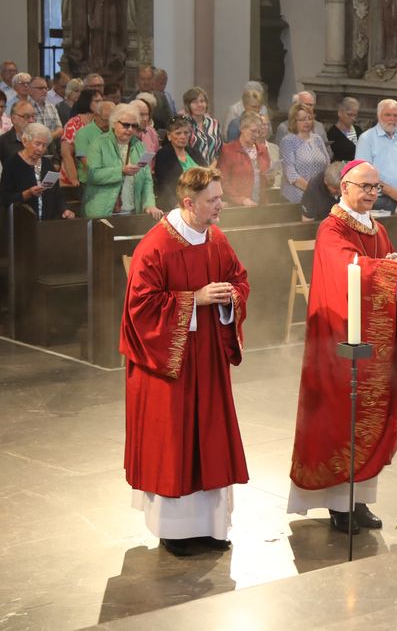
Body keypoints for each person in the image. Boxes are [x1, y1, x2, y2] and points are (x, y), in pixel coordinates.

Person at [287, 160, 397, 532]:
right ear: (344, 187)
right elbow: (347, 271)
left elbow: (384, 264)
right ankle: (338, 505)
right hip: (340, 339)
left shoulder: (378, 229)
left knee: (369, 415)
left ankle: (360, 502)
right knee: (341, 417)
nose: (372, 193)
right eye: (365, 186)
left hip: (374, 338)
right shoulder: (331, 227)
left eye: (376, 187)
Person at [120, 166, 250, 556]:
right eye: (213, 200)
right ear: (189, 203)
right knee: (174, 440)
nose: (221, 206)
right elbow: (139, 310)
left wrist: (230, 297)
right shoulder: (156, 246)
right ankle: (174, 531)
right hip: (167, 368)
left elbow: (239, 279)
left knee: (208, 435)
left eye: (221, 197)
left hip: (207, 361)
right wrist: (194, 300)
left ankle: (211, 526)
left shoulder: (216, 239)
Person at [82, 103, 163, 219]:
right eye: (126, 125)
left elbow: (147, 181)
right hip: (103, 213)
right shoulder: (99, 144)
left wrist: (150, 205)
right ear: (114, 124)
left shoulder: (140, 146)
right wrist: (121, 171)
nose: (130, 129)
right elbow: (92, 175)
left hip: (133, 211)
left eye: (134, 126)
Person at [0, 122, 74, 220]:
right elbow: (5, 198)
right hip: (22, 223)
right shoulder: (12, 163)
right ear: (25, 141)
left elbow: (57, 194)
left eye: (44, 145)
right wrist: (27, 193)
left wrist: (64, 210)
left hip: (47, 223)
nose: (40, 149)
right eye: (37, 144)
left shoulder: (47, 164)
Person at [355, 98, 397, 213]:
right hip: (377, 200)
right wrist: (391, 192)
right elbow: (364, 175)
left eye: (396, 115)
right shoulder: (367, 138)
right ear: (379, 116)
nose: (392, 119)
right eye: (387, 115)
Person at [280, 101, 331, 203]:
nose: (307, 122)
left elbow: (327, 164)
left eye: (310, 118)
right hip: (296, 199)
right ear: (294, 121)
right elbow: (291, 174)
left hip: (319, 197)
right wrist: (314, 191)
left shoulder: (317, 139)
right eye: (302, 119)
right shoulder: (288, 141)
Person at [153, 114, 207, 210]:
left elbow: (207, 175)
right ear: (169, 135)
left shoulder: (194, 152)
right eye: (178, 133)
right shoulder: (163, 155)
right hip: (176, 205)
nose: (183, 136)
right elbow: (164, 185)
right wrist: (177, 205)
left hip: (201, 202)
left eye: (186, 133)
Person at [219, 111, 271, 206]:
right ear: (242, 129)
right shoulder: (228, 150)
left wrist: (270, 179)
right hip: (238, 207)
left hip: (261, 205)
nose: (256, 135)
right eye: (253, 131)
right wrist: (241, 200)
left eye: (258, 132)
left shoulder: (263, 150)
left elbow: (267, 182)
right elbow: (223, 182)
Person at [59, 89, 101, 186]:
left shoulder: (100, 123)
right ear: (87, 102)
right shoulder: (73, 124)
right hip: (72, 177)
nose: (101, 104)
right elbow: (66, 154)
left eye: (101, 101)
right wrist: (74, 180)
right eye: (97, 101)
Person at [73, 99, 113, 185]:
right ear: (96, 116)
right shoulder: (82, 133)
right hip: (89, 182)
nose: (109, 124)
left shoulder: (114, 131)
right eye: (106, 120)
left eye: (112, 120)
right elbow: (85, 160)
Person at [184, 86, 222, 165]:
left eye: (202, 101)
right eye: (195, 102)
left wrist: (211, 168)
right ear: (188, 105)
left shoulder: (214, 123)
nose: (199, 105)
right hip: (192, 171)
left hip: (213, 171)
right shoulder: (183, 124)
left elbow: (219, 151)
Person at [0, 100, 37, 168]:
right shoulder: (1, 143)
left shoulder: (41, 138)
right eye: (27, 116)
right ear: (14, 119)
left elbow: (53, 163)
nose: (32, 121)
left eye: (33, 116)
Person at [326, 96, 361, 162]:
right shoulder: (332, 134)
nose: (353, 118)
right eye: (349, 115)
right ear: (340, 113)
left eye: (355, 115)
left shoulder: (358, 130)